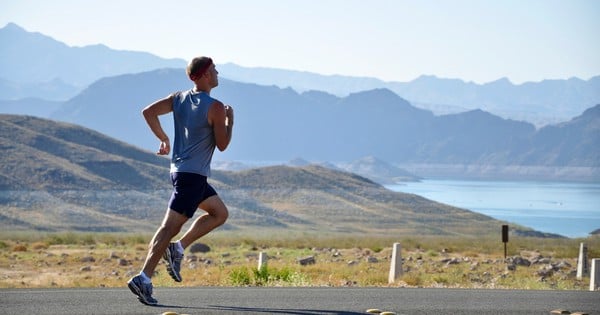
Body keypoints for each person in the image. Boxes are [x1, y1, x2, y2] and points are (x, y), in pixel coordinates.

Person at [127, 56, 234, 305]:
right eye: (215, 70)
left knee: (219, 213)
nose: (218, 74)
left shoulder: (178, 98)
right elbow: (223, 144)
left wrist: (163, 138)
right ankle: (143, 278)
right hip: (192, 176)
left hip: (182, 172)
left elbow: (148, 112)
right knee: (168, 228)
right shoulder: (216, 107)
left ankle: (178, 248)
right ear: (206, 74)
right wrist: (230, 121)